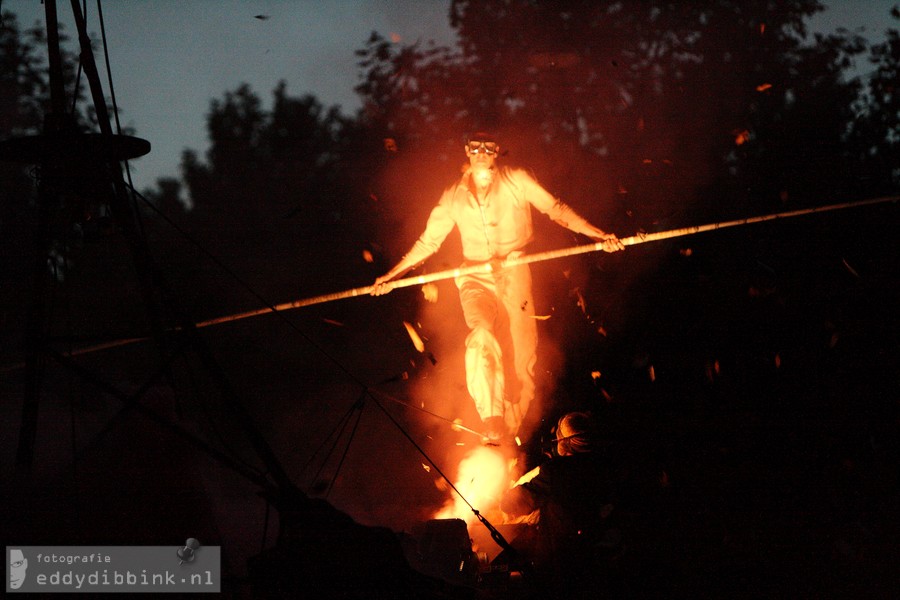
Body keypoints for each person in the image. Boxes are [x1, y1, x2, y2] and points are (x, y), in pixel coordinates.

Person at [372, 132, 623, 442]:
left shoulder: (517, 180)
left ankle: (509, 438)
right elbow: (429, 241)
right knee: (480, 334)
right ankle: (491, 416)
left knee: (523, 358)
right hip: (475, 277)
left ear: (497, 153)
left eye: (488, 148)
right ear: (466, 151)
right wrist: (392, 276)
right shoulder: (453, 195)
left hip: (514, 273)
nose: (481, 153)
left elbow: (556, 209)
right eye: (475, 147)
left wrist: (600, 236)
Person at [500, 411, 621, 599]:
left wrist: (506, 490)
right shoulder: (607, 467)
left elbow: (513, 504)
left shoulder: (556, 471)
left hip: (560, 566)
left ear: (564, 441)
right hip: (599, 562)